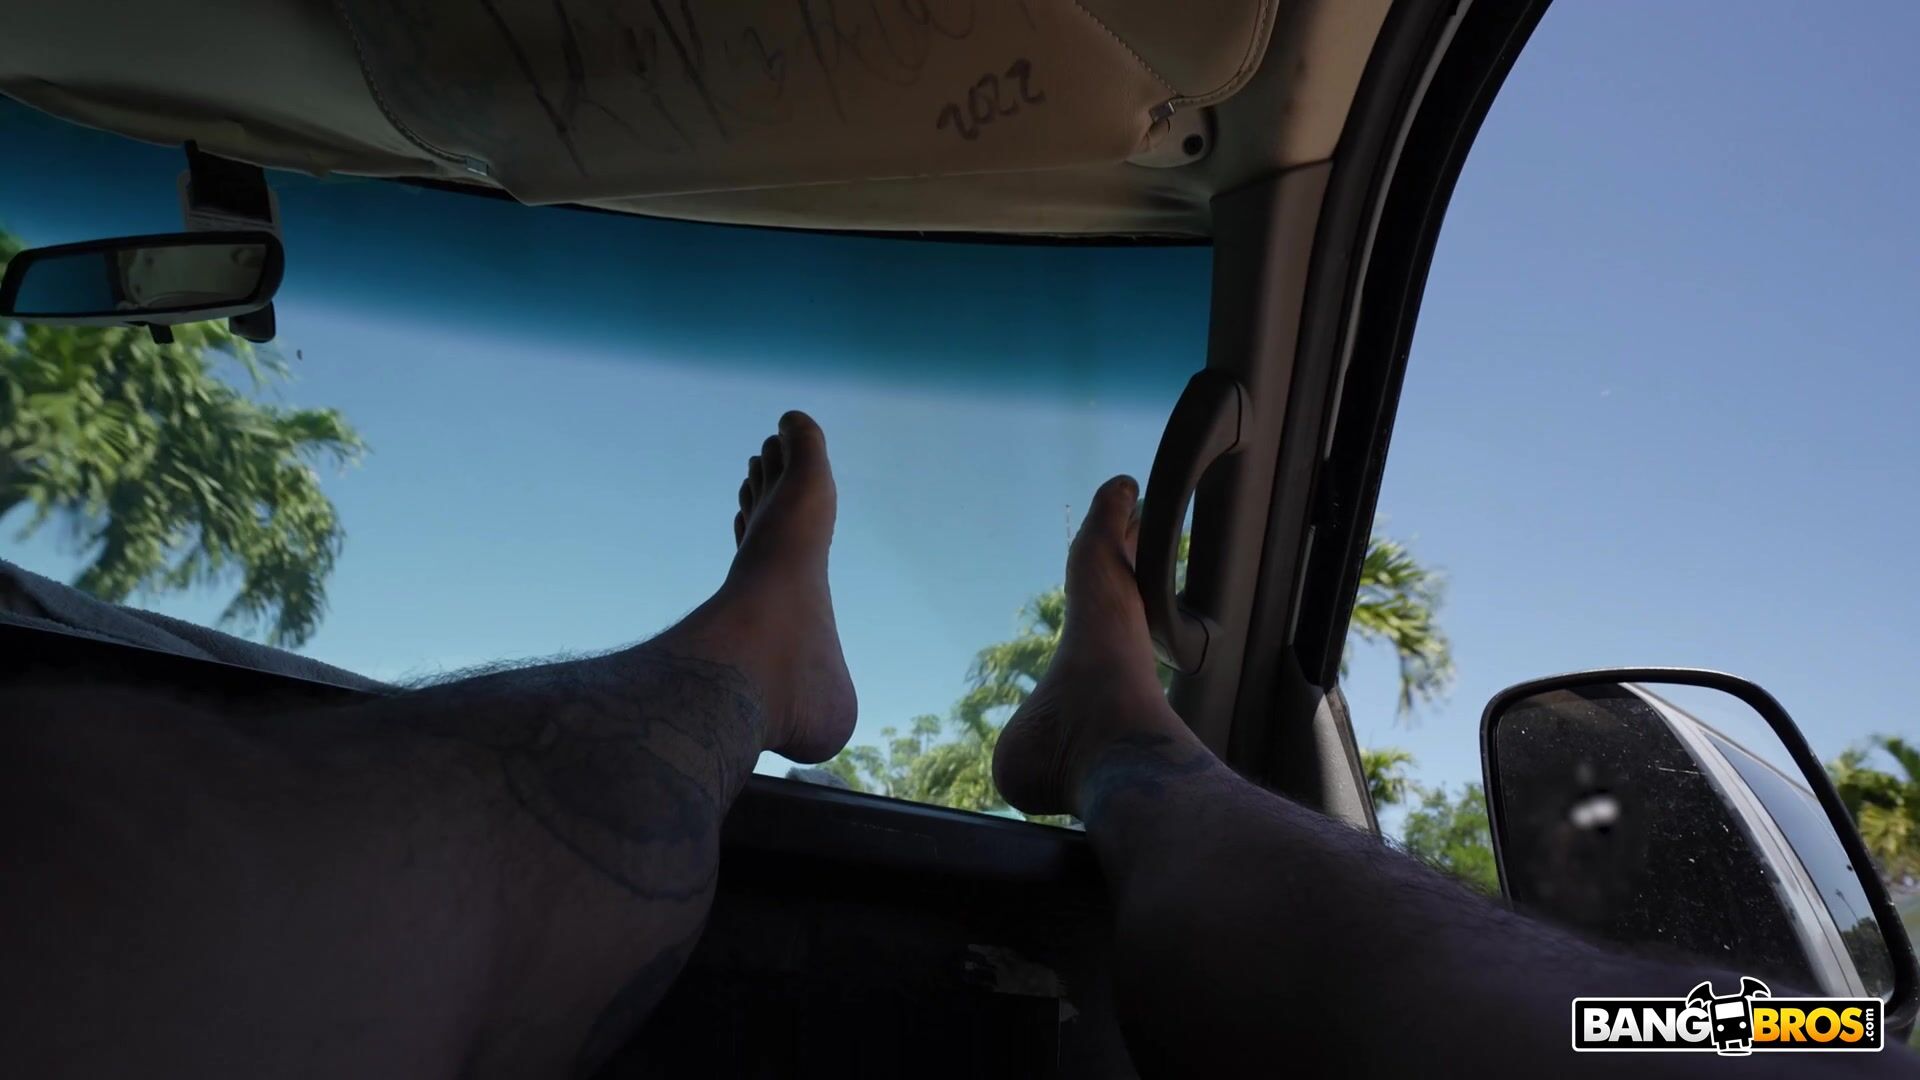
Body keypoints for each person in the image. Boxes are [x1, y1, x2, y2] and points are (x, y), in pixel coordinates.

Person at [1, 411, 1911, 1077]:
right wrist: (1815, 1025)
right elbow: (1715, 1035)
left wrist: (1810, 1035)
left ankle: (782, 649)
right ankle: (1111, 733)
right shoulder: (1818, 1031)